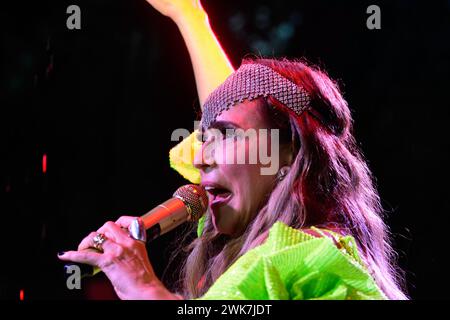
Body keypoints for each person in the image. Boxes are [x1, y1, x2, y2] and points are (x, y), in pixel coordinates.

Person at [58, 0, 408, 300]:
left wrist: (144, 286)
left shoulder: (306, 256)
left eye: (225, 137)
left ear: (288, 153)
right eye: (204, 139)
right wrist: (188, 16)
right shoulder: (276, 241)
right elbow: (238, 111)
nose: (198, 158)